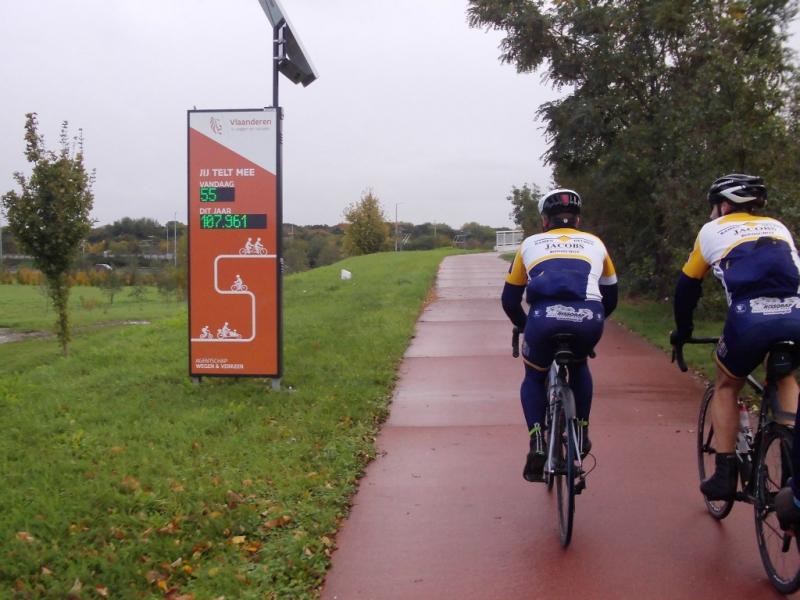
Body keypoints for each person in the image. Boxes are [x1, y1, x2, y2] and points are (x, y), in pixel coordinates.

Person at [670, 174, 800, 502]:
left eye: (714, 206)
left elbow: (687, 288)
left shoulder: (712, 230)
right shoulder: (777, 226)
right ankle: (793, 461)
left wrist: (683, 331)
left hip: (750, 319)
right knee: (784, 375)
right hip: (796, 313)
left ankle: (724, 475)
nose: (712, 212)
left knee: (727, 384)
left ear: (724, 204)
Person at [502, 188, 618, 481]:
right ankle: (580, 430)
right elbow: (611, 295)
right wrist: (594, 322)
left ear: (544, 220)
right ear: (577, 221)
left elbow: (509, 299)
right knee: (580, 364)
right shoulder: (595, 242)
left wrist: (526, 326)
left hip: (543, 318)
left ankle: (537, 441)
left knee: (533, 376)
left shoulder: (529, 244)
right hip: (588, 318)